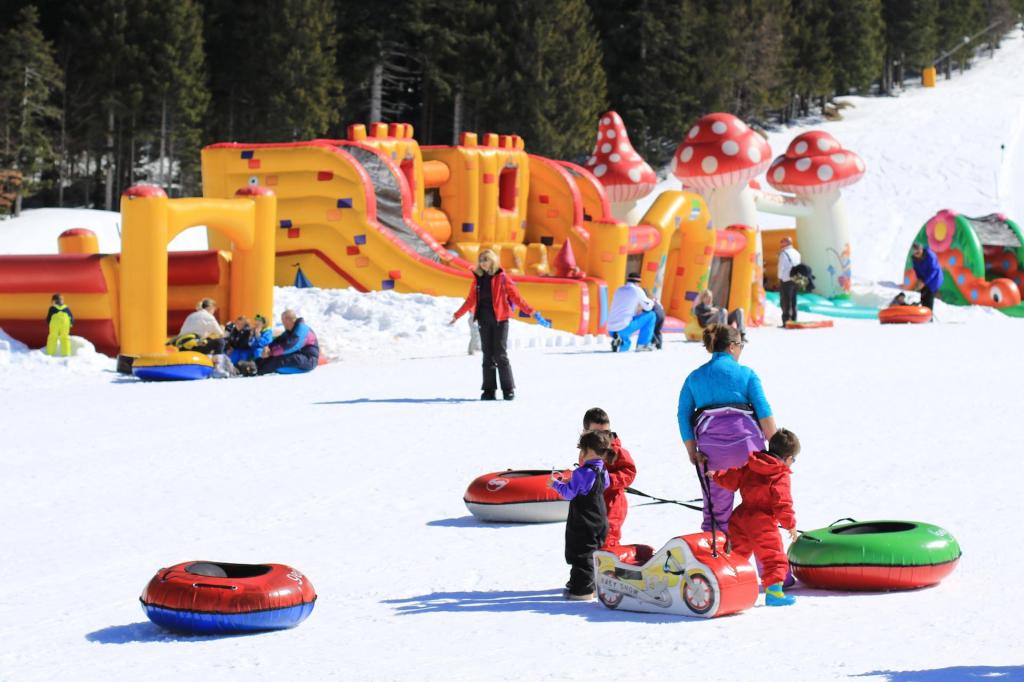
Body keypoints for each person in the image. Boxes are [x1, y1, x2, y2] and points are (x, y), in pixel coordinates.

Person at [676, 323, 777, 533]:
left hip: (713, 456)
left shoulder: (695, 377)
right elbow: (764, 412)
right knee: (760, 513)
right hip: (750, 451)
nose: (741, 351)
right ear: (732, 347)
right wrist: (776, 450)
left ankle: (715, 560)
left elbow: (683, 414)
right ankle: (768, 565)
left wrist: (691, 450)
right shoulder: (747, 374)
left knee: (716, 516)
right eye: (741, 345)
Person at [712, 428, 800, 607]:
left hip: (741, 517)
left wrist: (716, 475)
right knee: (773, 557)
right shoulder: (779, 474)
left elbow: (732, 478)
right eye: (794, 460)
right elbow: (782, 502)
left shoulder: (752, 464)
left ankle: (731, 587)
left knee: (737, 554)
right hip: (763, 521)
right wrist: (790, 525)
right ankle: (774, 594)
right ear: (789, 458)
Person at [449, 249, 550, 401]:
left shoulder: (502, 278)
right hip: (484, 320)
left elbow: (516, 297)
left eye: (486, 259)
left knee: (500, 355)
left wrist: (532, 312)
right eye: (481, 260)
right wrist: (457, 315)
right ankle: (489, 390)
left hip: (500, 320)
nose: (483, 263)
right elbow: (470, 300)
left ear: (492, 261)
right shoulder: (478, 279)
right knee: (487, 355)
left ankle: (508, 389)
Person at [548, 429, 612, 601]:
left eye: (582, 450)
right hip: (600, 519)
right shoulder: (602, 470)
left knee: (581, 554)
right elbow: (605, 485)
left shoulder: (582, 473)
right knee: (594, 551)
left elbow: (568, 493)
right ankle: (593, 585)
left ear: (588, 451)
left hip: (584, 521)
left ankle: (581, 590)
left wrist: (555, 484)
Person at [582, 407, 637, 550]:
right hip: (594, 504)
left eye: (605, 433)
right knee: (591, 538)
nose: (601, 437)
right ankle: (594, 569)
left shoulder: (615, 451)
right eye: (595, 433)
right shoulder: (585, 451)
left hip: (613, 503)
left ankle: (610, 569)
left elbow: (629, 471)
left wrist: (609, 480)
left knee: (608, 537)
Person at [253, 309, 319, 375]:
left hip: (309, 360)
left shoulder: (302, 329)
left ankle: (258, 371)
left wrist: (270, 352)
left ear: (289, 320)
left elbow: (292, 345)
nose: (283, 323)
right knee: (275, 356)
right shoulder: (290, 331)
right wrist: (268, 347)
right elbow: (278, 341)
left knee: (281, 359)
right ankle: (253, 365)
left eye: (283, 321)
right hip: (300, 356)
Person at [607, 273, 656, 352]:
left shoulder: (619, 289)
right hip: (624, 327)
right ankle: (642, 345)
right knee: (651, 315)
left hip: (611, 329)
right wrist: (653, 301)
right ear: (638, 282)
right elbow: (648, 307)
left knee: (626, 345)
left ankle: (619, 340)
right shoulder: (637, 290)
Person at [910, 242, 944, 311]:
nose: (917, 255)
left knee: (928, 295)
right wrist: (919, 280)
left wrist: (924, 282)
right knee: (923, 295)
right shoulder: (914, 258)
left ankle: (929, 315)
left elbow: (934, 270)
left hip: (934, 279)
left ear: (921, 249)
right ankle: (923, 314)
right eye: (916, 253)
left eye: (919, 252)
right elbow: (916, 270)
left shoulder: (930, 255)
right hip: (924, 278)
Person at [777, 237, 802, 326]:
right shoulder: (797, 253)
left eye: (782, 242)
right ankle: (794, 319)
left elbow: (781, 267)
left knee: (785, 300)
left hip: (786, 279)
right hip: (795, 279)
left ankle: (786, 321)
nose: (780, 244)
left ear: (786, 243)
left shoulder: (784, 253)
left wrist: (779, 277)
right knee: (794, 300)